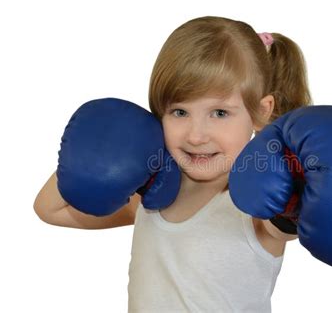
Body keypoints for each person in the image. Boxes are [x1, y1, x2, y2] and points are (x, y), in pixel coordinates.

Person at [34, 16, 312, 311]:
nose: (196, 135)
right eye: (179, 112)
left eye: (219, 113)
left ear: (260, 111)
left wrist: (295, 193)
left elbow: (286, 227)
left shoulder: (257, 207)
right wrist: (100, 153)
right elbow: (49, 209)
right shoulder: (150, 194)